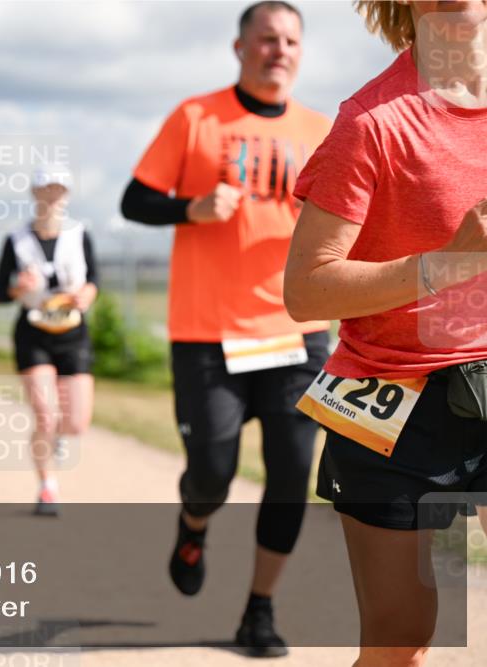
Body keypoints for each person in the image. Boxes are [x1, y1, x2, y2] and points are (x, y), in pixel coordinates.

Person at [120, 1, 333, 657]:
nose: (280, 49)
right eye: (266, 37)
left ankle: (258, 612)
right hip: (208, 333)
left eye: (291, 39)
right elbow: (134, 200)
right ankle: (194, 524)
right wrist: (192, 206)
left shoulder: (323, 131)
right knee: (211, 471)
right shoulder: (196, 117)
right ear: (239, 47)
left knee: (291, 473)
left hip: (296, 332)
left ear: (302, 51)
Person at [284, 2, 487, 665]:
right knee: (401, 637)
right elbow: (307, 288)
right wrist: (449, 262)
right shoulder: (370, 121)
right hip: (393, 401)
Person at [0, 164, 99, 517]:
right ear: (35, 194)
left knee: (76, 421)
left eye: (59, 190)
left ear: (66, 195)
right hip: (33, 332)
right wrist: (18, 287)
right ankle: (47, 487)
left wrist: (87, 294)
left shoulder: (79, 234)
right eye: (46, 190)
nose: (52, 197)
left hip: (72, 332)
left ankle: (60, 438)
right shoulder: (16, 240)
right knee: (45, 414)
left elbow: (94, 279)